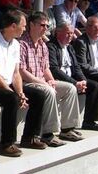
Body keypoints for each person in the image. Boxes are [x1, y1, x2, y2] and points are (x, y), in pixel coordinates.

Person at [0, 9, 46, 155]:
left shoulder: (16, 44)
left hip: (7, 84)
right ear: (12, 26)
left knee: (39, 95)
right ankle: (6, 144)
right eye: (23, 25)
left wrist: (21, 92)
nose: (25, 28)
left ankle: (30, 137)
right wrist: (12, 92)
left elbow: (16, 73)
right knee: (11, 99)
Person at [19, 11, 83, 146]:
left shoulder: (42, 44)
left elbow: (46, 68)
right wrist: (43, 82)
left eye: (47, 26)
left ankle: (67, 129)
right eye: (42, 25)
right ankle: (48, 134)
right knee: (49, 91)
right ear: (32, 25)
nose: (45, 29)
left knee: (69, 88)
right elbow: (22, 71)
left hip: (41, 80)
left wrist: (51, 80)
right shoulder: (22, 44)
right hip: (27, 83)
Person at [47, 21, 98, 131]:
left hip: (71, 77)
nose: (70, 36)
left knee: (94, 85)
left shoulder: (70, 47)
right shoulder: (51, 46)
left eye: (72, 33)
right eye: (67, 33)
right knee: (72, 87)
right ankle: (68, 128)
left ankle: (89, 121)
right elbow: (54, 69)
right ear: (58, 33)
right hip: (59, 79)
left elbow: (76, 67)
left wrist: (83, 81)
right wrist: (75, 82)